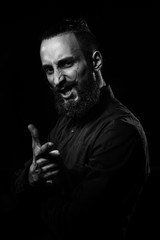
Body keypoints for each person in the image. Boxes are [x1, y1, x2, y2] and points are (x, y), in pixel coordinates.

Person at [12, 17, 150, 240]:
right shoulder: (68, 118)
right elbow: (20, 183)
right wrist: (31, 176)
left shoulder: (120, 132)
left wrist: (35, 197)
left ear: (95, 61)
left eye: (66, 64)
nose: (57, 80)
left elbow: (77, 226)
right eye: (49, 69)